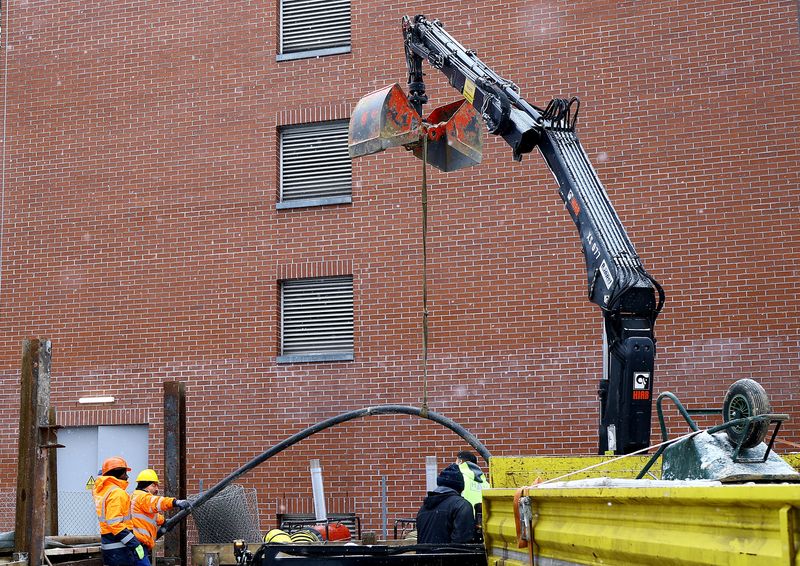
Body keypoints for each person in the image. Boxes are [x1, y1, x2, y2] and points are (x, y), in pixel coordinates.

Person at [130, 469, 191, 566]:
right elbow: (158, 502)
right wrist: (175, 502)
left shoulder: (135, 496)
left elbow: (150, 516)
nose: (157, 489)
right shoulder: (144, 497)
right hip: (138, 544)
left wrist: (163, 521)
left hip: (136, 543)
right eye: (155, 485)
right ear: (150, 485)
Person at [93, 456, 146, 566]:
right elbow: (115, 523)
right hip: (119, 547)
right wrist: (134, 543)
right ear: (116, 473)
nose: (127, 476)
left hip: (109, 544)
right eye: (124, 473)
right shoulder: (117, 493)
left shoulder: (104, 491)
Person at [415, 464, 474, 544]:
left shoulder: (423, 508)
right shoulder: (461, 506)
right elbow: (461, 543)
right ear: (460, 487)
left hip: (423, 556)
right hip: (447, 556)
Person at [456, 450, 490, 515]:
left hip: (464, 517)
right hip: (483, 519)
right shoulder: (485, 482)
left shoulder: (458, 477)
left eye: (456, 460)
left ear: (460, 462)